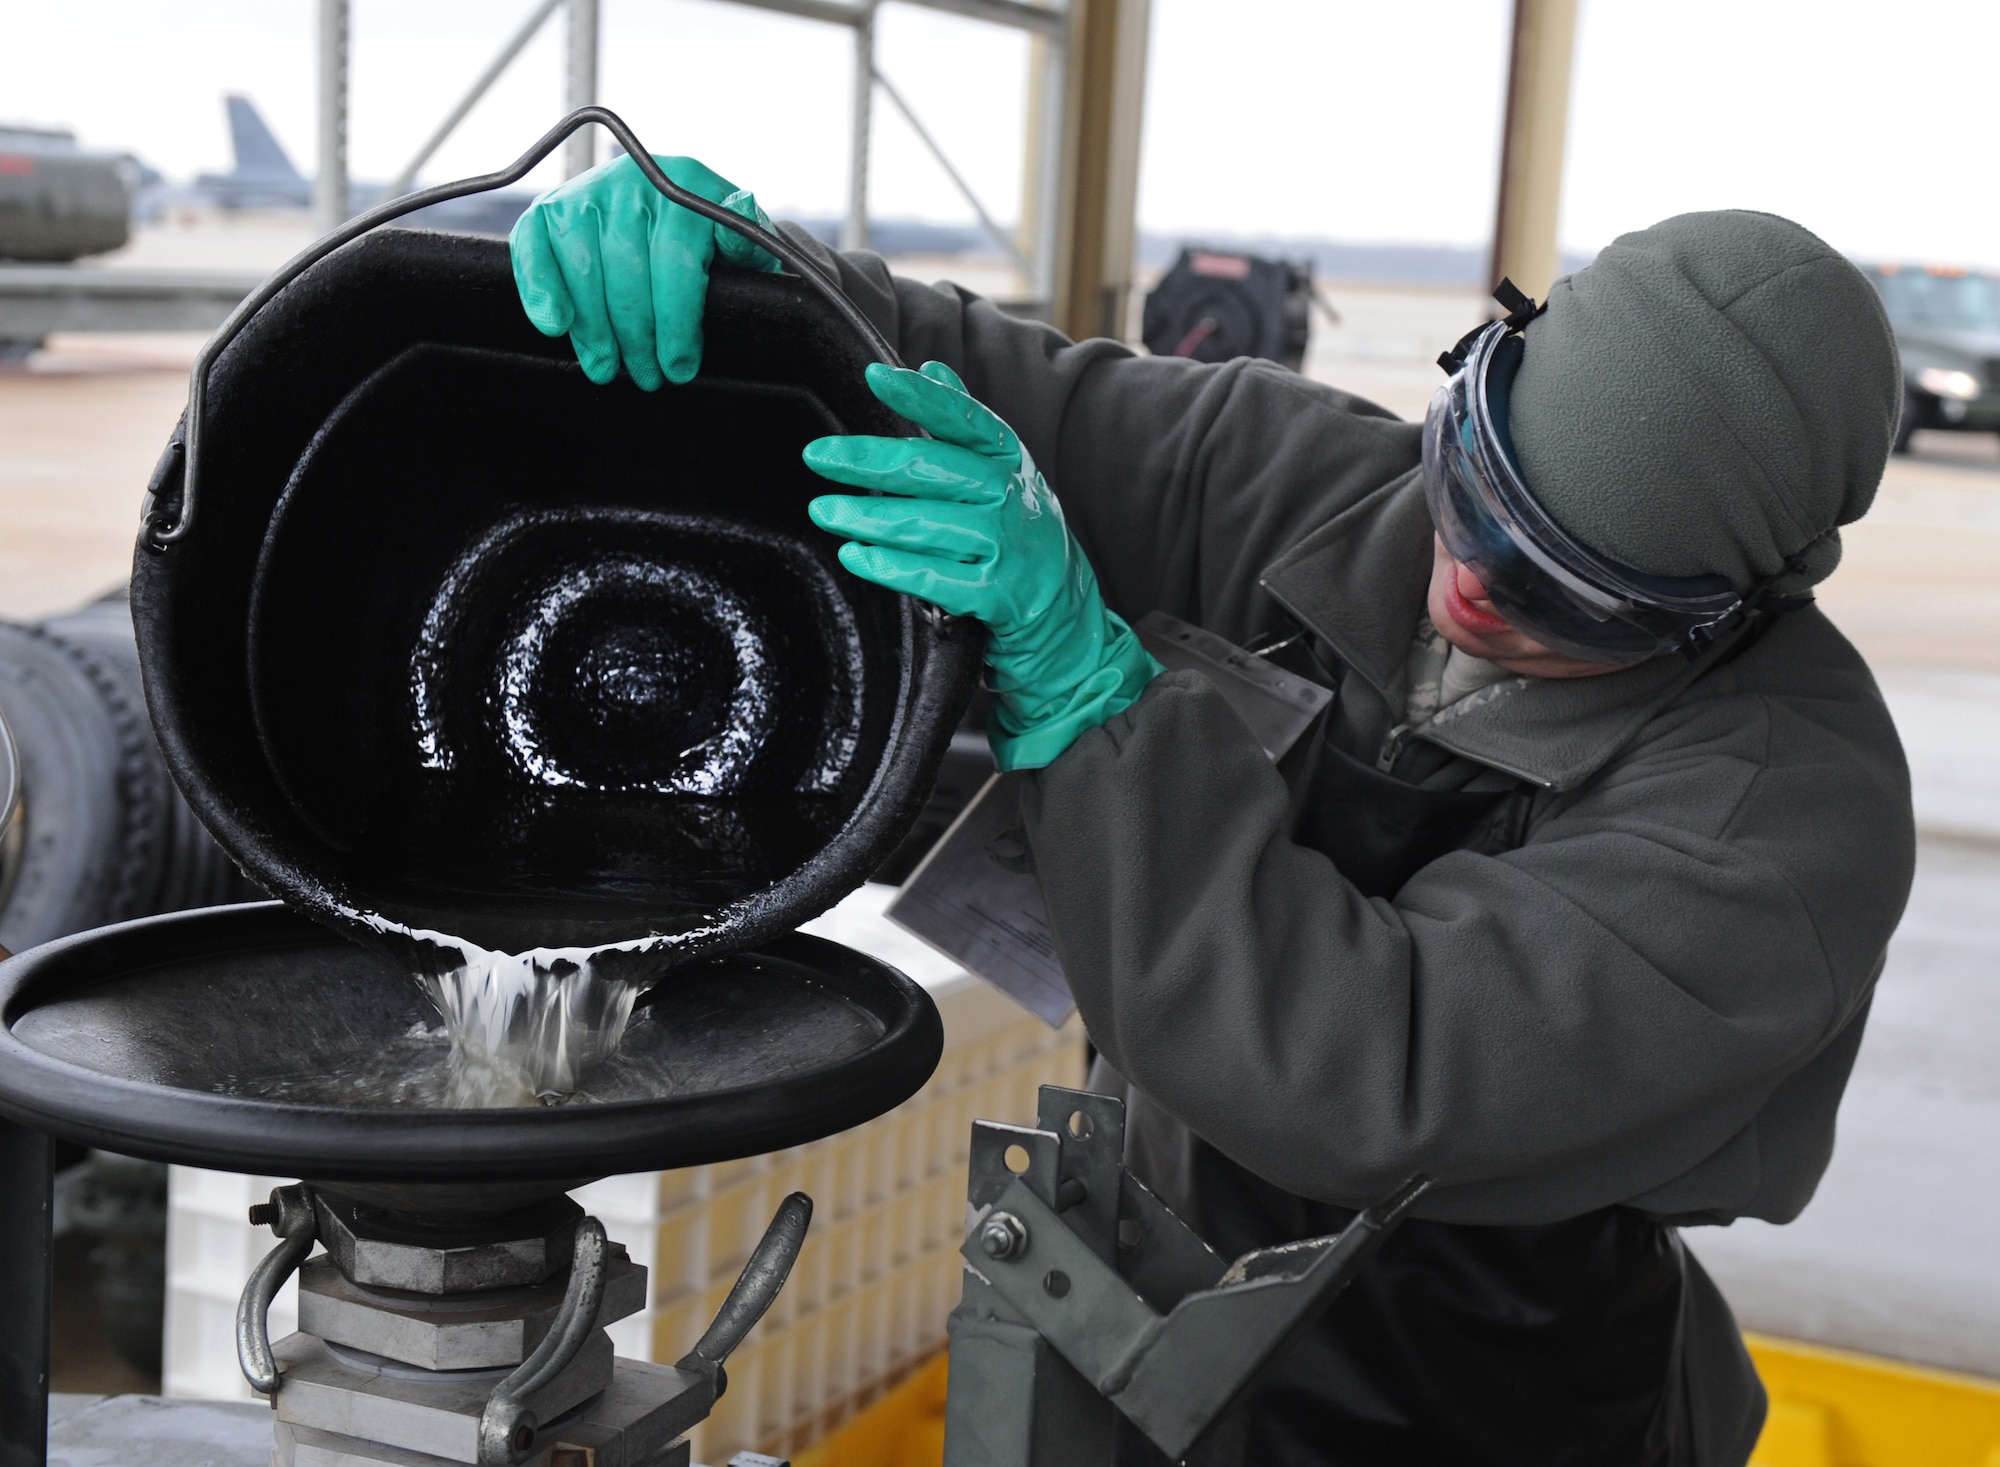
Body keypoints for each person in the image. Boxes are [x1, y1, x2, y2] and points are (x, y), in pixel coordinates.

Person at [509, 157, 1914, 1467]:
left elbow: (1373, 1071)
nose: (1474, 577)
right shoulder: (1319, 488)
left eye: (1562, 590)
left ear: (1718, 615)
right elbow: (988, 394)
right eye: (1476, 485)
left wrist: (1096, 704)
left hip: (1476, 1387)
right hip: (1139, 1298)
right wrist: (757, 281)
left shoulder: (1785, 820)